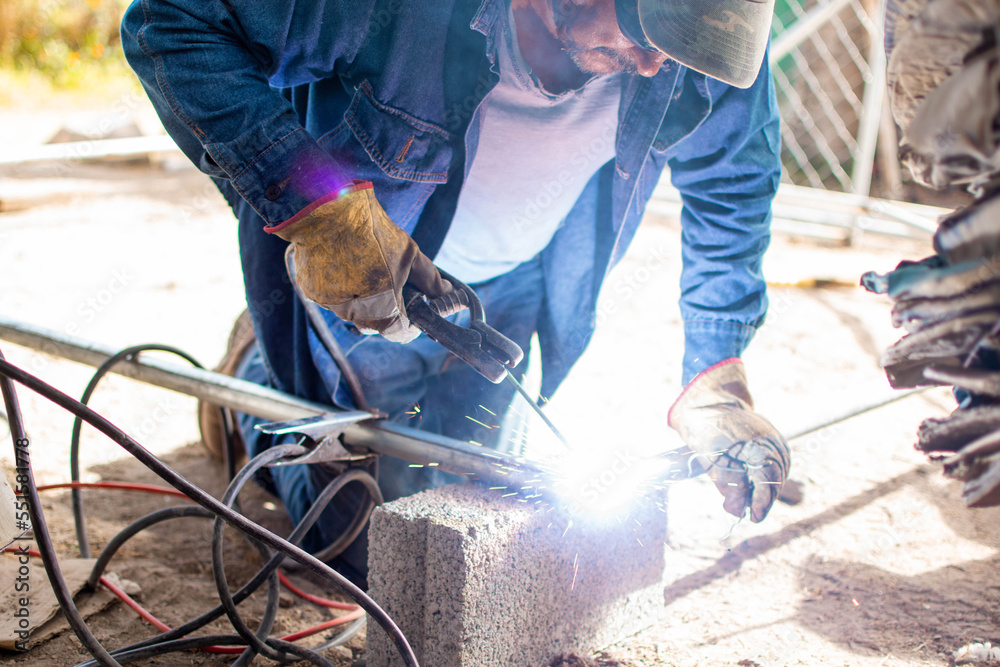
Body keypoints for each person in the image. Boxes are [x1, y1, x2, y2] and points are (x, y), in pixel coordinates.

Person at [121, 0, 790, 585]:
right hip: (368, 274)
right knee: (359, 548)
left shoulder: (698, 41)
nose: (652, 66)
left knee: (492, 504)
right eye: (646, 36)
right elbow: (171, 24)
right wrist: (315, 210)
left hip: (522, 277)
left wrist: (715, 377)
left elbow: (734, 186)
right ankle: (253, 369)